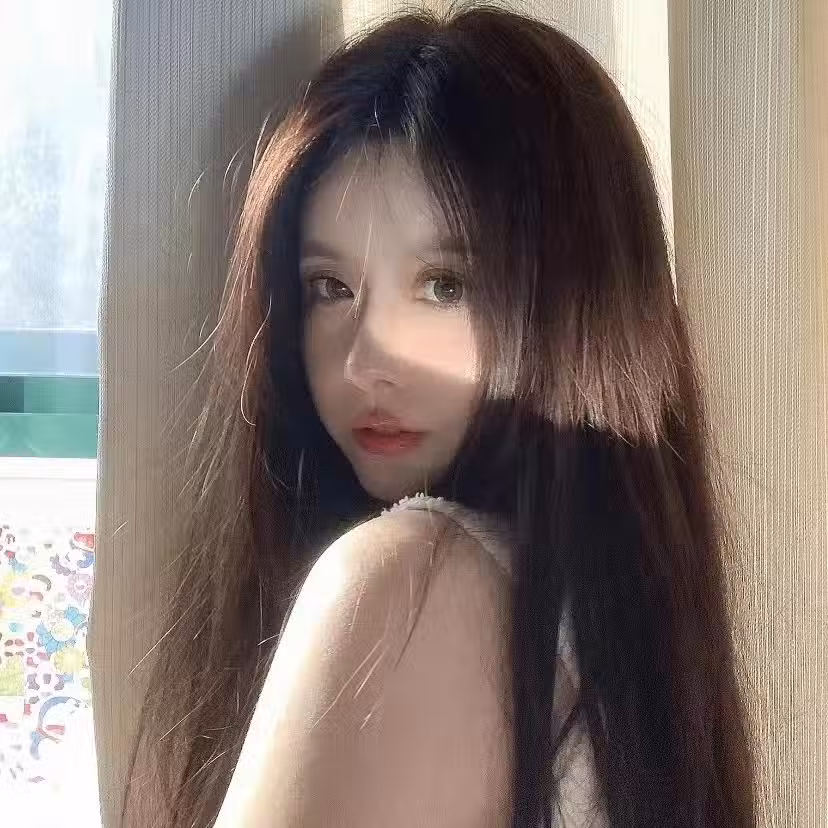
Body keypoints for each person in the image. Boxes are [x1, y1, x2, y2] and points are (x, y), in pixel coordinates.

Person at [117, 3, 758, 826]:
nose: (365, 361)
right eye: (330, 288)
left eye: (446, 285)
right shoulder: (624, 651)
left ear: (578, 302)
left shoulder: (407, 584)